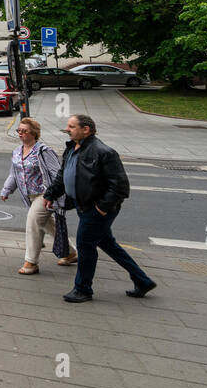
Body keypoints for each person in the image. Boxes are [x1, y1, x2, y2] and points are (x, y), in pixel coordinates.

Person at [43, 114, 156, 303]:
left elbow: (120, 187)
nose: (67, 129)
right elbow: (64, 175)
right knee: (109, 245)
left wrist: (101, 209)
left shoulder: (103, 152)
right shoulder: (72, 148)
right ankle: (142, 281)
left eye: (71, 126)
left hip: (95, 210)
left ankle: (83, 289)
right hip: (83, 206)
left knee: (85, 246)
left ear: (85, 129)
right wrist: (50, 194)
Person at [0, 117, 74, 274]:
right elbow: (14, 173)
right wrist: (6, 190)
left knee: (33, 222)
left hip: (45, 194)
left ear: (34, 133)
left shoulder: (44, 151)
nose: (20, 134)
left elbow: (56, 174)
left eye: (24, 131)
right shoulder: (17, 151)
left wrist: (54, 195)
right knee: (49, 225)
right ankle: (70, 253)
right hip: (29, 197)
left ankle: (31, 262)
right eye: (18, 130)